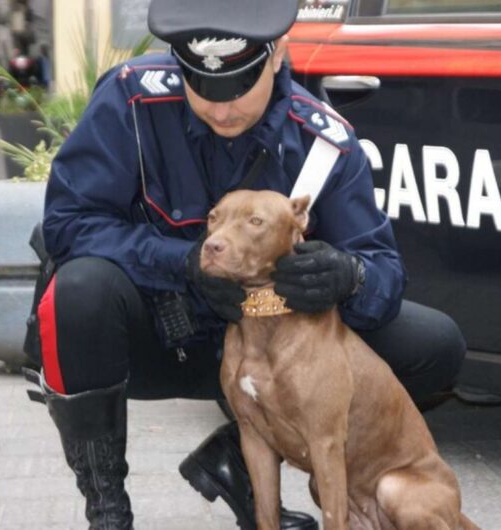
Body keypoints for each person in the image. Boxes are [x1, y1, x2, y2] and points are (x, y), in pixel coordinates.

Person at [29, 0, 466, 528]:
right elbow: (67, 222)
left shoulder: (321, 141)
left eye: (238, 88)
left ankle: (238, 455)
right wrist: (182, 263)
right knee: (79, 290)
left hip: (280, 347)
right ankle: (107, 509)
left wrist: (349, 277)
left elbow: (383, 269)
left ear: (278, 54)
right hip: (162, 333)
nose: (220, 109)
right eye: (202, 89)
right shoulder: (131, 99)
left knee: (433, 344)